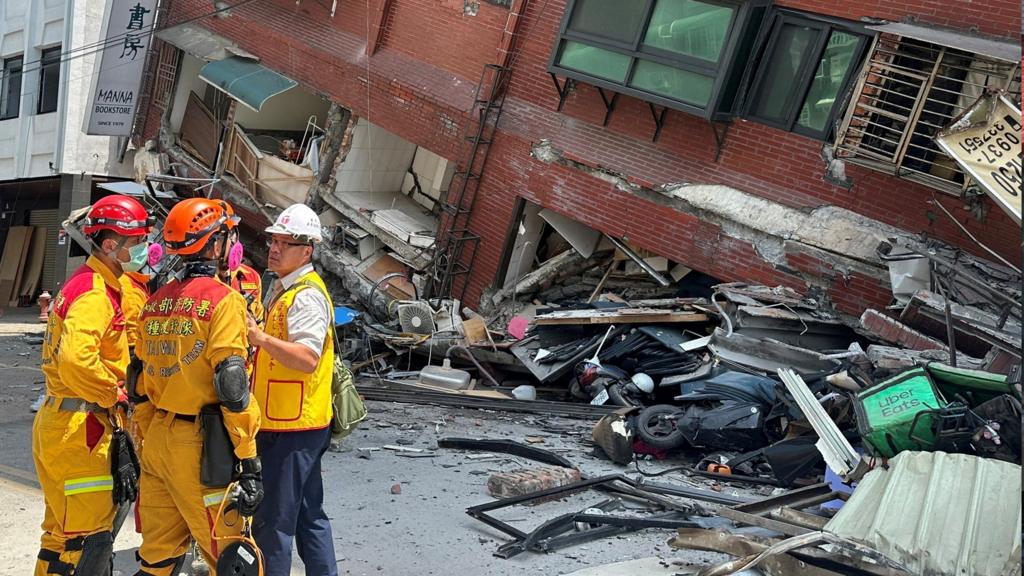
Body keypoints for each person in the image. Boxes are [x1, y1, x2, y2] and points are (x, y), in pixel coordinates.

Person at [131, 198, 263, 575]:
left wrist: (146, 432)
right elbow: (231, 383)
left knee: (158, 557)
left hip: (157, 439)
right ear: (216, 242)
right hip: (202, 449)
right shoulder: (225, 300)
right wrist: (248, 456)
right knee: (233, 558)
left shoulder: (155, 302)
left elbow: (138, 379)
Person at [33, 194, 152, 576]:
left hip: (62, 423)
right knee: (86, 540)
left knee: (60, 534)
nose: (144, 250)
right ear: (110, 245)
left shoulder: (87, 283)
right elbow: (75, 359)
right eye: (137, 243)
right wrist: (114, 392)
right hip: (80, 429)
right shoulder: (96, 294)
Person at [248, 203, 338, 576]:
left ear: (307, 250)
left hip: (292, 427)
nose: (274, 248)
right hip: (294, 422)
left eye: (286, 243)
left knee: (273, 523)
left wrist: (260, 338)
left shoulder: (305, 296)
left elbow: (306, 358)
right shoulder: (284, 289)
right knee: (305, 514)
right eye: (274, 240)